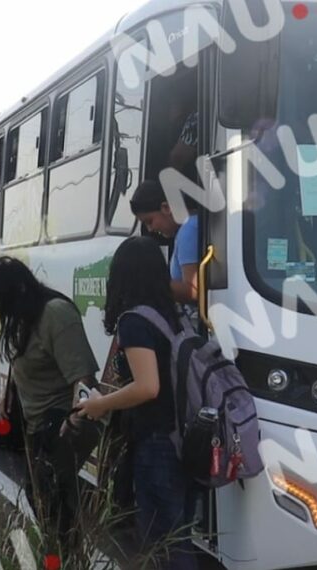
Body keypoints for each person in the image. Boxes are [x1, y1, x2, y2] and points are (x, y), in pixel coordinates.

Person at [73, 236, 199, 570]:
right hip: (183, 437)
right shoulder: (173, 314)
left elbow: (147, 387)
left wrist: (102, 404)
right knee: (177, 536)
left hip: (157, 441)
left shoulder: (135, 321)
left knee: (163, 544)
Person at [0, 256, 100, 549]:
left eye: (3, 297)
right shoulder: (22, 314)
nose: (0, 305)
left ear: (20, 288)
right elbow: (20, 355)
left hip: (59, 425)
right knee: (41, 504)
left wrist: (74, 421)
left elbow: (83, 377)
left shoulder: (55, 314)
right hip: (35, 425)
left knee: (59, 515)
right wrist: (8, 391)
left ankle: (67, 562)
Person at [130, 179, 200, 306]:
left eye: (150, 221)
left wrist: (151, 282)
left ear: (166, 208)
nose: (150, 229)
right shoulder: (190, 226)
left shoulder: (188, 229)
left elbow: (194, 291)